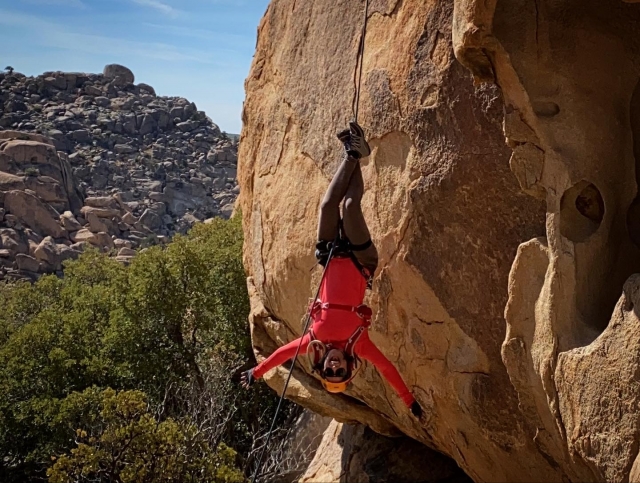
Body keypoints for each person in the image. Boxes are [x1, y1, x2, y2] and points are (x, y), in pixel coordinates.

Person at [241, 122, 422, 418]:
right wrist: (409, 401)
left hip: (330, 256)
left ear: (322, 364)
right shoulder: (359, 345)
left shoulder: (313, 340)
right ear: (349, 367)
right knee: (350, 207)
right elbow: (387, 369)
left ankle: (353, 152)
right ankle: (354, 153)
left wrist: (257, 373)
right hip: (360, 260)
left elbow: (282, 355)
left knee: (327, 207)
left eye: (329, 370)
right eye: (340, 371)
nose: (334, 366)